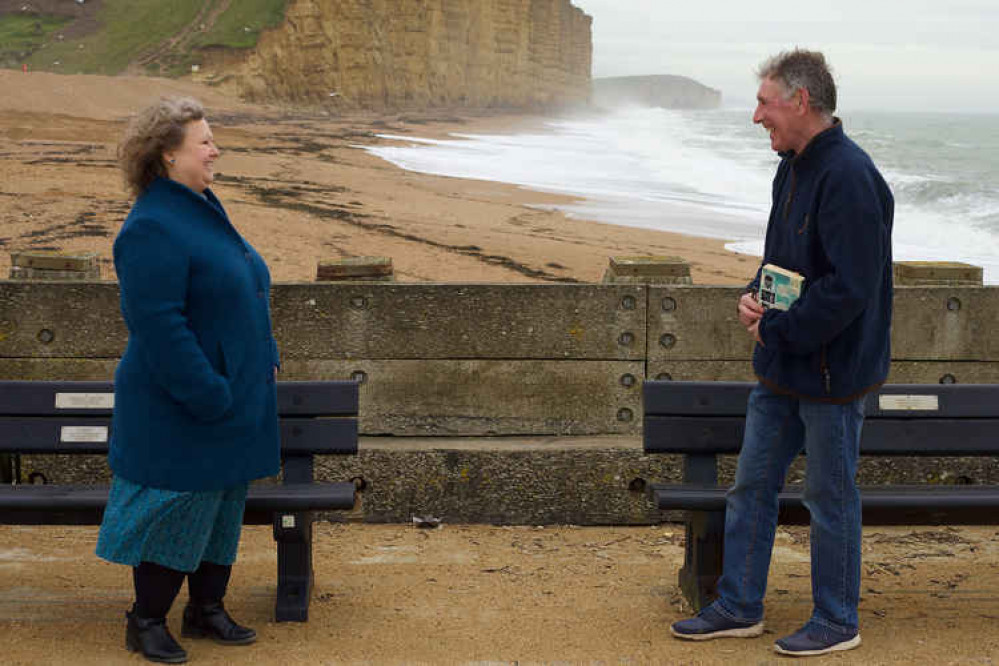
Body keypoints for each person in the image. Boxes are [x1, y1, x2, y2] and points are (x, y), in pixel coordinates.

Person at [670, 50, 894, 657]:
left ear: (800, 101)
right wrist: (753, 295)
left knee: (829, 498)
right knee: (751, 488)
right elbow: (784, 262)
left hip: (832, 374)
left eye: (765, 103)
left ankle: (837, 620)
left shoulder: (849, 175)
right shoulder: (792, 165)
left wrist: (778, 331)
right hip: (783, 369)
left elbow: (852, 287)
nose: (755, 117)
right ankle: (739, 606)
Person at [96, 97, 281, 664]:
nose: (214, 149)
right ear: (168, 155)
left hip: (230, 392)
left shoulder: (200, 207)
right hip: (181, 400)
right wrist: (207, 391)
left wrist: (265, 351)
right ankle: (145, 619)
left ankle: (206, 609)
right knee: (174, 505)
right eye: (203, 141)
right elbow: (157, 325)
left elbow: (246, 285)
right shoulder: (152, 225)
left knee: (222, 503)